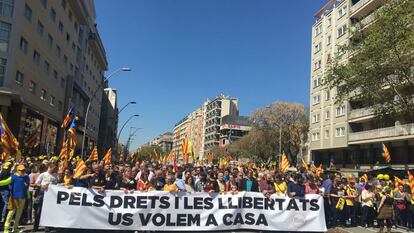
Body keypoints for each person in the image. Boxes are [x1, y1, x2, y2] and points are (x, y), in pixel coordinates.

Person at [4, 164, 30, 233]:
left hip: (22, 198)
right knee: (11, 213)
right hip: (14, 198)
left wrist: (28, 197)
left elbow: (27, 187)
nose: (22, 171)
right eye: (21, 170)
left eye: (24, 170)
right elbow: (5, 182)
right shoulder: (13, 177)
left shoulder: (27, 177)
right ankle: (6, 228)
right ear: (17, 170)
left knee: (19, 214)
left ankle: (15, 229)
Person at [33, 163, 58, 232]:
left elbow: (56, 184)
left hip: (51, 196)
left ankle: (48, 227)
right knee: (38, 210)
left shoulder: (55, 175)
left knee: (49, 211)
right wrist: (42, 186)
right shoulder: (43, 174)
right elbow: (36, 183)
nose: (55, 170)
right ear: (49, 167)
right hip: (42, 194)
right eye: (53, 168)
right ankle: (36, 226)